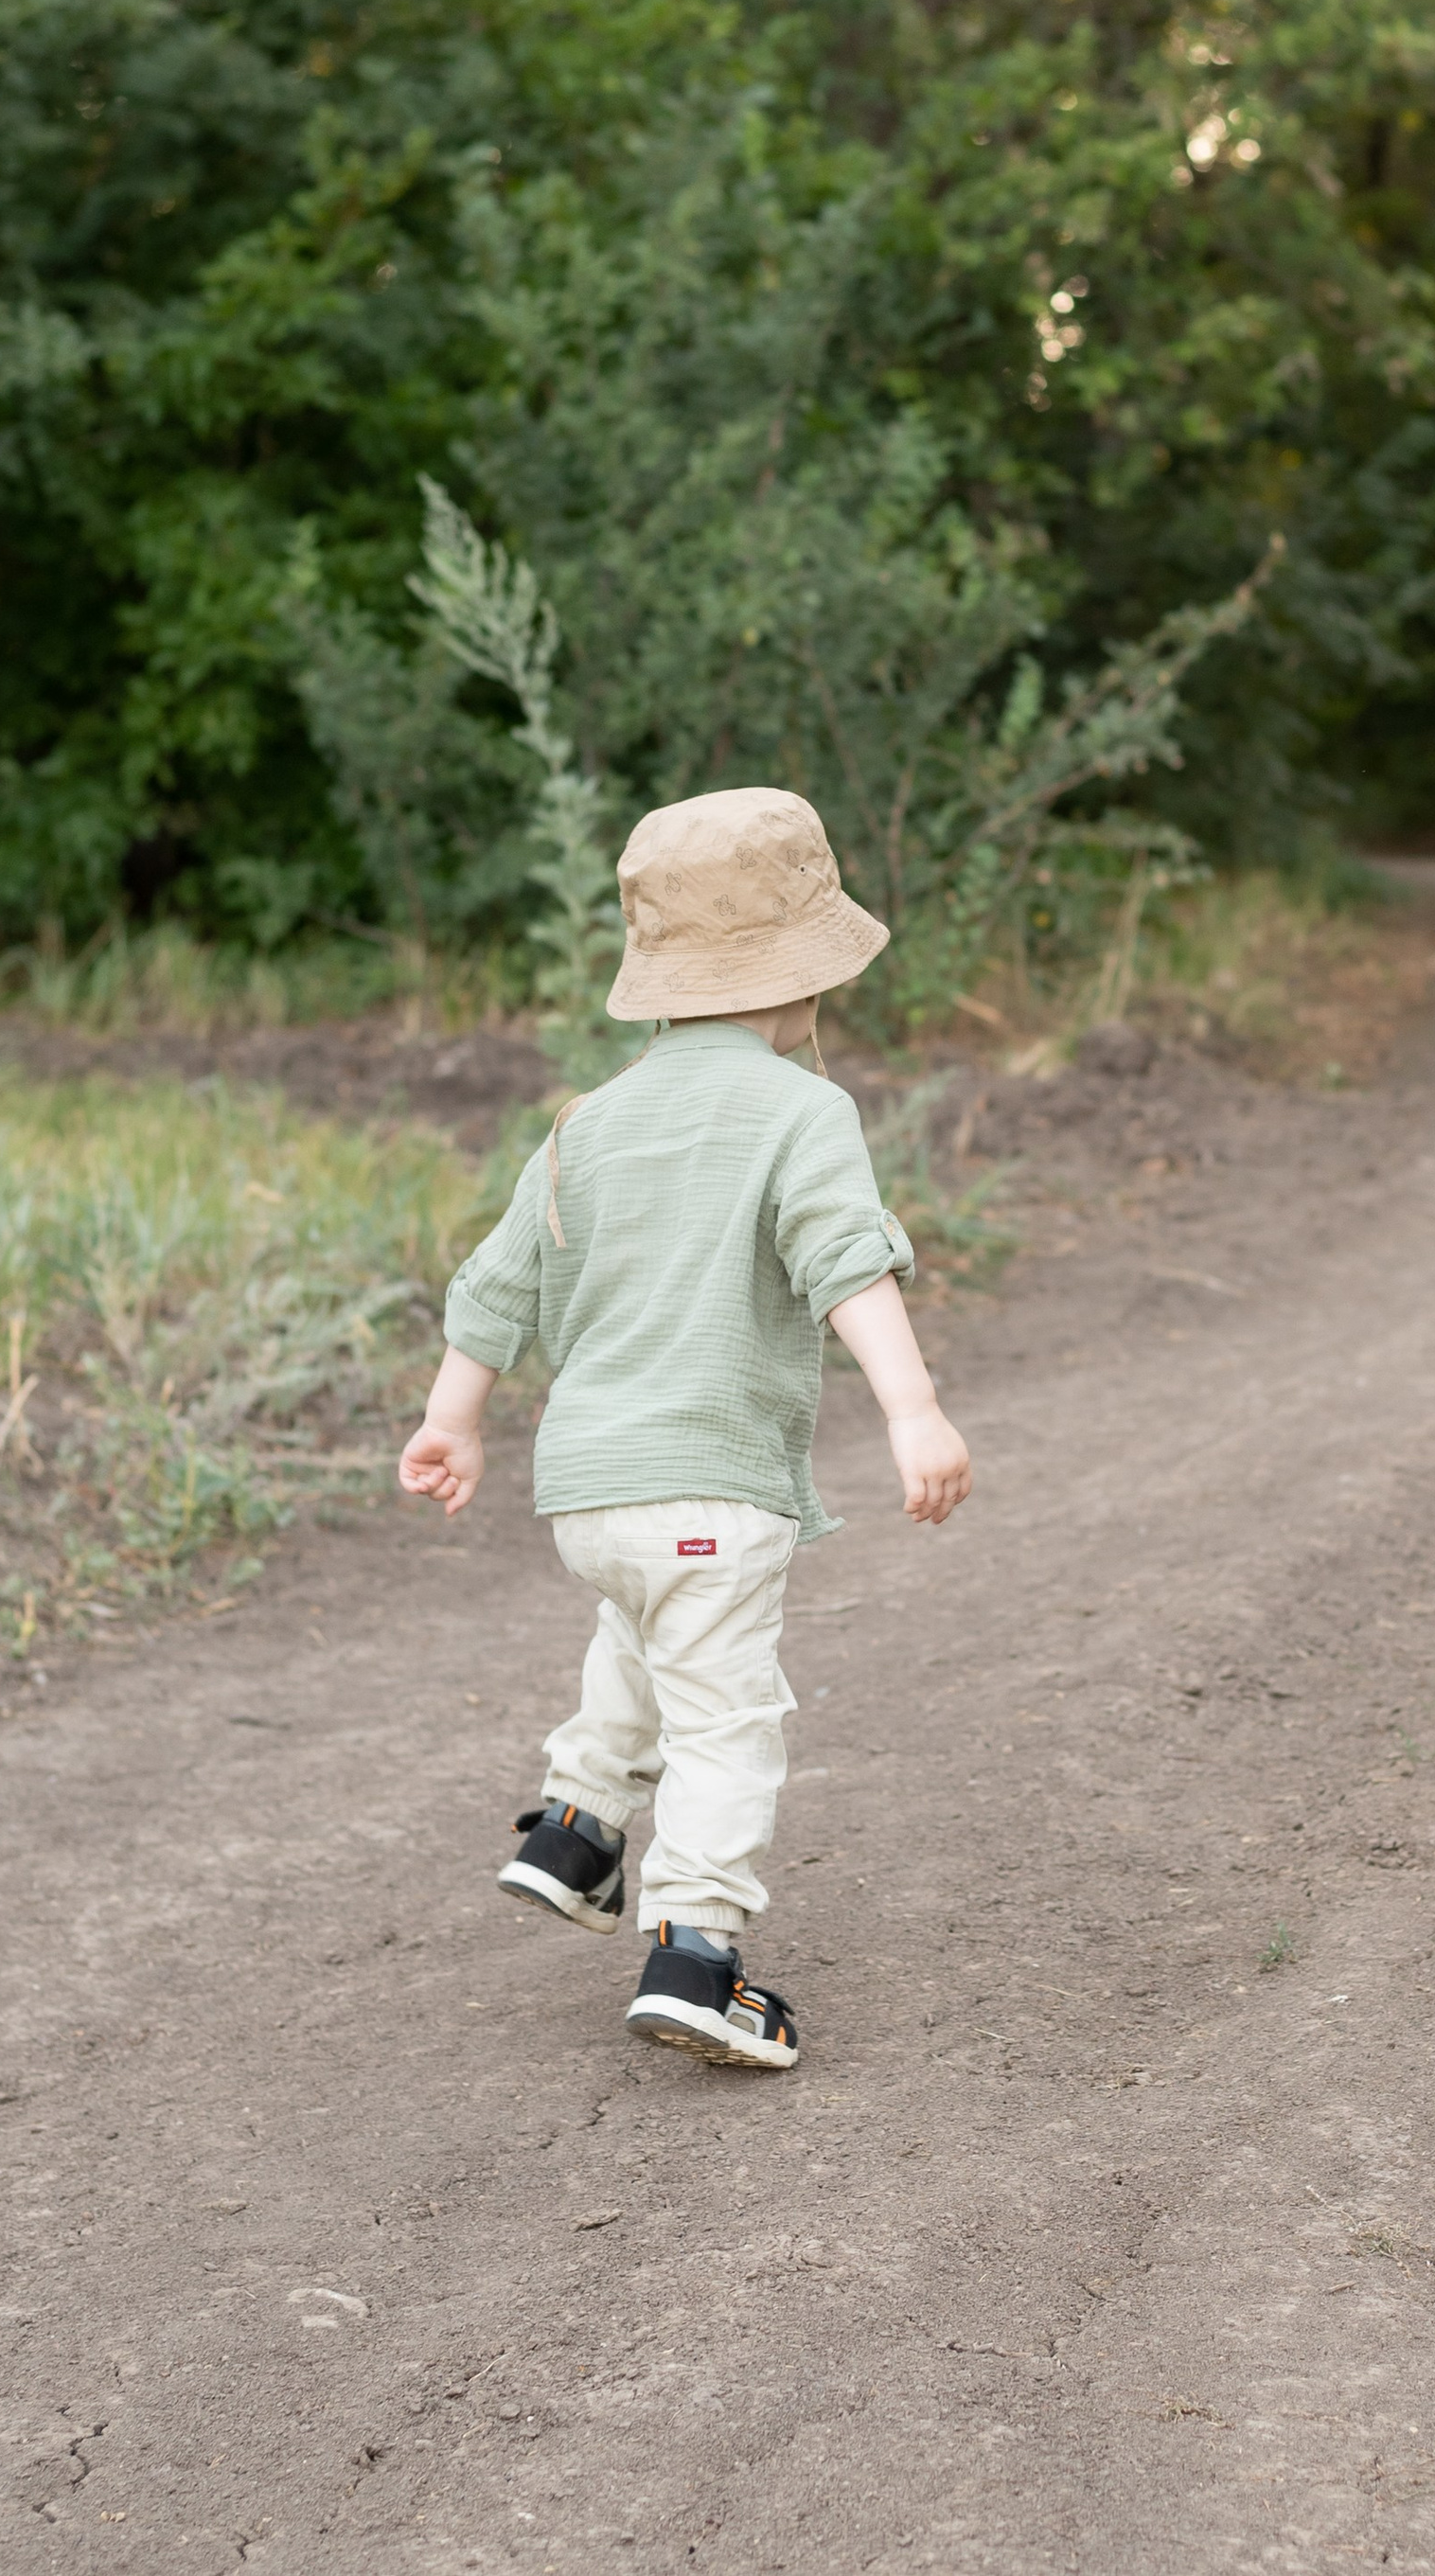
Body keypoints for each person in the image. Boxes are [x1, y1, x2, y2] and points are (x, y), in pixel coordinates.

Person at [398, 786, 971, 2073]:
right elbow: (845, 1266)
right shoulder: (800, 1112)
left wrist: (453, 1424)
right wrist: (915, 1411)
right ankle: (695, 1954)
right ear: (803, 980)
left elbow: (498, 1288)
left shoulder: (587, 1124)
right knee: (726, 1716)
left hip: (590, 1499)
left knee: (642, 1628)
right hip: (709, 1489)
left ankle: (578, 1827)